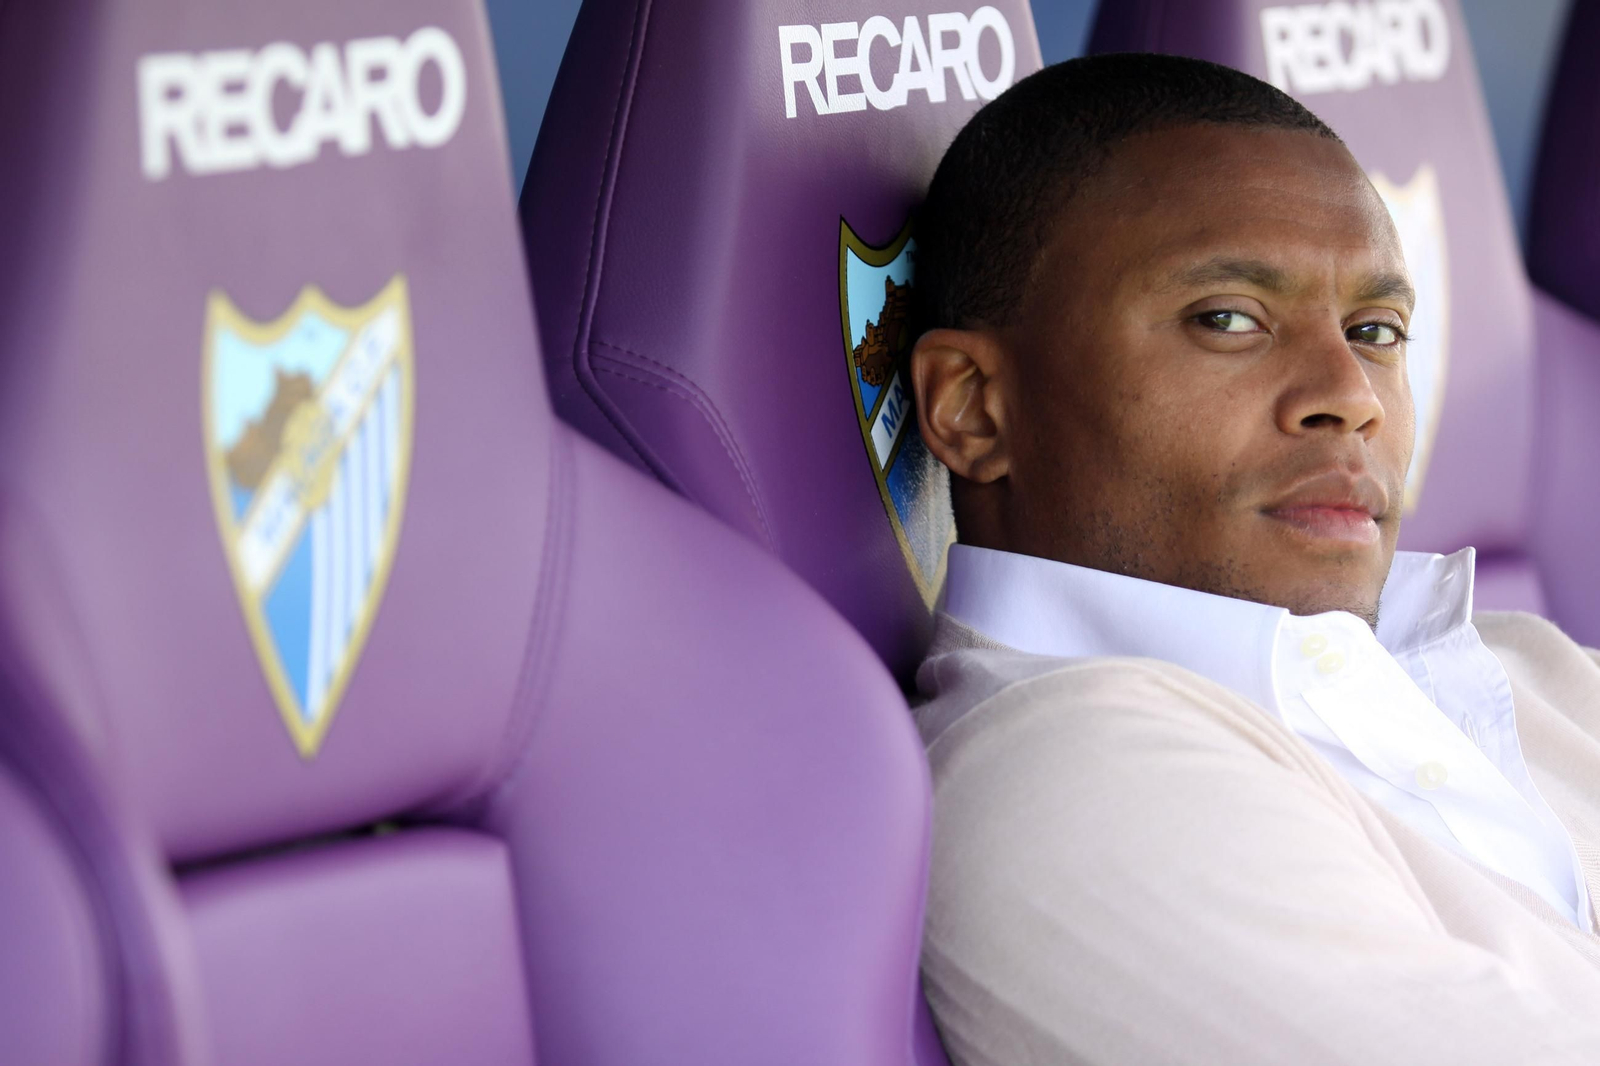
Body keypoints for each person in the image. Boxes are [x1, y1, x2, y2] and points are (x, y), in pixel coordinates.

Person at [908, 52, 1600, 1065]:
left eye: (1375, 331)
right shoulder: (1081, 777)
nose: (1349, 392)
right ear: (973, 407)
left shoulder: (1520, 668)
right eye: (1227, 319)